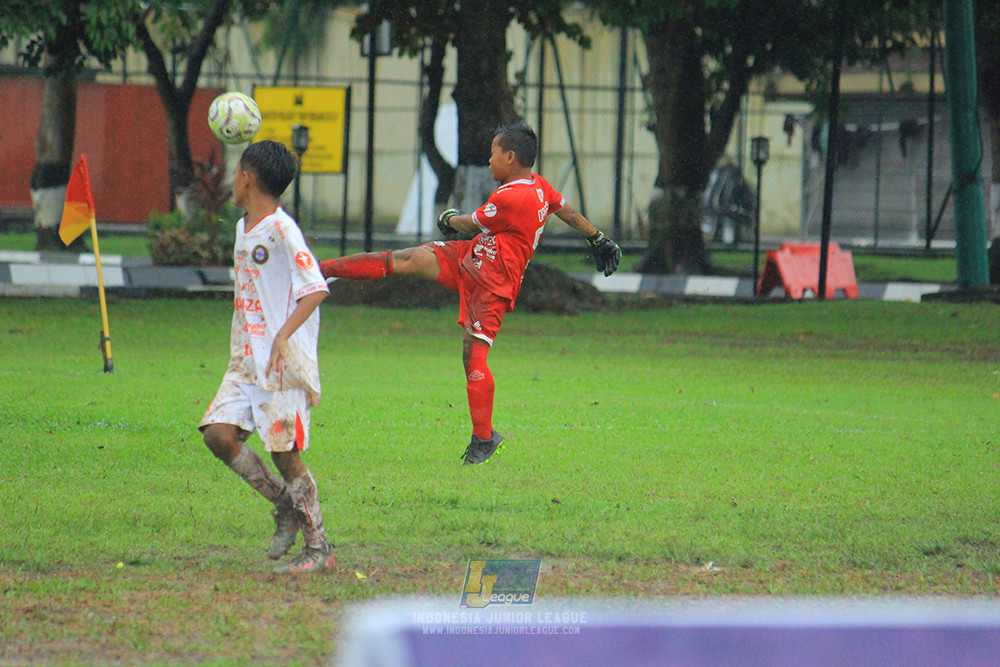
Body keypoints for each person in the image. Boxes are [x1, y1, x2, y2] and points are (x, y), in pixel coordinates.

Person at [319, 120, 622, 465]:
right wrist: (598, 237)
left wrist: (449, 217)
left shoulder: (511, 196)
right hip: (472, 258)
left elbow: (470, 223)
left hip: (494, 284)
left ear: (509, 157)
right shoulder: (539, 187)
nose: (489, 159)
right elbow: (565, 211)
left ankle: (484, 439)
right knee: (409, 258)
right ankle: (322, 271)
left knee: (473, 354)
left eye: (493, 153)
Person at [200, 140, 336, 574]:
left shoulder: (282, 229)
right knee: (218, 435)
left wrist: (283, 336)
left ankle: (320, 548)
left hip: (281, 362)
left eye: (235, 172)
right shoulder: (244, 227)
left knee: (285, 454)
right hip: (246, 359)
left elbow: (315, 287)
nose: (232, 180)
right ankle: (284, 507)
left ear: (247, 177)